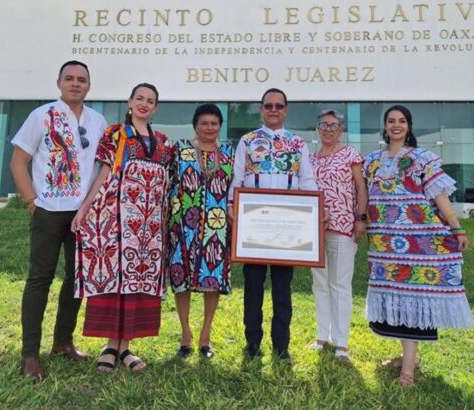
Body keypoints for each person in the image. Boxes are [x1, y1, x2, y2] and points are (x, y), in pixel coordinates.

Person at [10, 60, 108, 381]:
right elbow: (18, 161)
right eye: (70, 78)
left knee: (77, 281)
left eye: (82, 80)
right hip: (48, 210)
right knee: (40, 279)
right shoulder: (41, 116)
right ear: (59, 83)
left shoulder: (98, 121)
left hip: (83, 214)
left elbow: (103, 166)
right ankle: (29, 354)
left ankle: (63, 341)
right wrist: (32, 202)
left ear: (89, 86)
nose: (75, 84)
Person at [363, 105, 474, 387]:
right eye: (391, 121)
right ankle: (407, 357)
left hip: (419, 241)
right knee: (399, 300)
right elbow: (364, 197)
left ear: (409, 126)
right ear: (385, 126)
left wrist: (456, 226)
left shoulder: (423, 159)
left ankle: (408, 371)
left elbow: (439, 196)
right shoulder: (372, 161)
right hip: (384, 244)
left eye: (402, 121)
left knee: (414, 296)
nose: (396, 125)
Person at [72, 83, 172, 373]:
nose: (143, 104)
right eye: (139, 98)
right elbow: (104, 172)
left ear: (155, 108)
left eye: (150, 100)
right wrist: (85, 208)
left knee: (138, 282)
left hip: (147, 228)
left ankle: (126, 347)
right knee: (112, 279)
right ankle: (109, 345)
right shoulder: (115, 134)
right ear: (129, 101)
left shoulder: (163, 142)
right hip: (115, 219)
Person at [229, 88, 318, 362]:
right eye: (268, 106)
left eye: (279, 106)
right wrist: (233, 206)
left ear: (286, 110)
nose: (274, 110)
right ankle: (252, 344)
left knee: (282, 289)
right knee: (253, 288)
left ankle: (282, 347)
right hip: (253, 227)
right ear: (261, 109)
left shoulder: (297, 142)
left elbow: (307, 181)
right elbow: (238, 179)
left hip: (287, 228)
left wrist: (314, 213)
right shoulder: (247, 141)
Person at [168, 104, 234, 359]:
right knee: (181, 277)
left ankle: (206, 336)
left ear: (220, 126)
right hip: (183, 224)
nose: (209, 128)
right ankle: (186, 335)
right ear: (195, 125)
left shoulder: (228, 152)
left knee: (212, 278)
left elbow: (235, 187)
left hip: (216, 227)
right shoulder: (181, 150)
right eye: (204, 123)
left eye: (214, 123)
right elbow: (168, 181)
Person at [308, 109, 368, 362]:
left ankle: (341, 343)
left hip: (343, 227)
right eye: (324, 124)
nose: (328, 129)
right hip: (314, 229)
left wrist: (361, 218)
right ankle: (323, 336)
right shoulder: (310, 159)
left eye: (334, 125)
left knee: (340, 284)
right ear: (318, 128)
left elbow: (360, 188)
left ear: (341, 129)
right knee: (320, 284)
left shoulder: (351, 154)